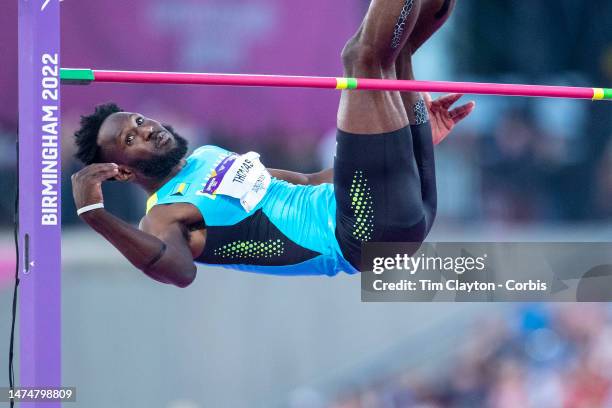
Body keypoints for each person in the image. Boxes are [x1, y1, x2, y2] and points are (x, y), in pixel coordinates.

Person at [71, 0, 474, 287]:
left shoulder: (207, 157)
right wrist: (95, 214)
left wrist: (399, 150)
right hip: (364, 234)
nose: (147, 129)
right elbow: (180, 273)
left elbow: (310, 180)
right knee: (362, 58)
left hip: (397, 207)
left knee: (398, 58)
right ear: (123, 170)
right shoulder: (161, 216)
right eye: (131, 138)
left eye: (140, 121)